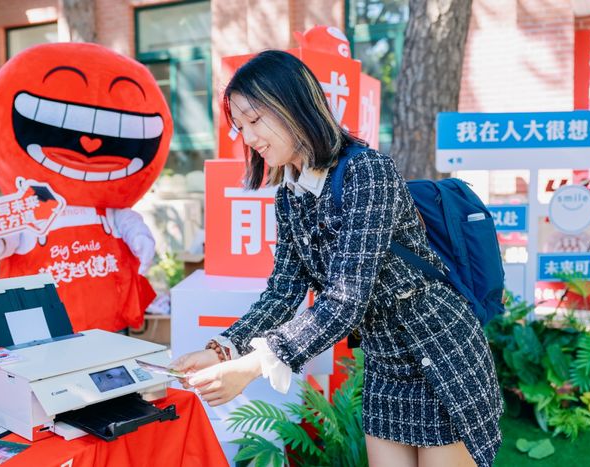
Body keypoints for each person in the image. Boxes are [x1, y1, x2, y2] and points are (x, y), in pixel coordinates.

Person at [171, 50, 503, 467]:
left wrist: (256, 364)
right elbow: (283, 291)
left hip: (437, 349)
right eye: (240, 127)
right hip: (385, 361)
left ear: (293, 104)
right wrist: (224, 348)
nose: (249, 137)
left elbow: (346, 299)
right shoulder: (290, 196)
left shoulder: (367, 172)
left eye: (255, 120)